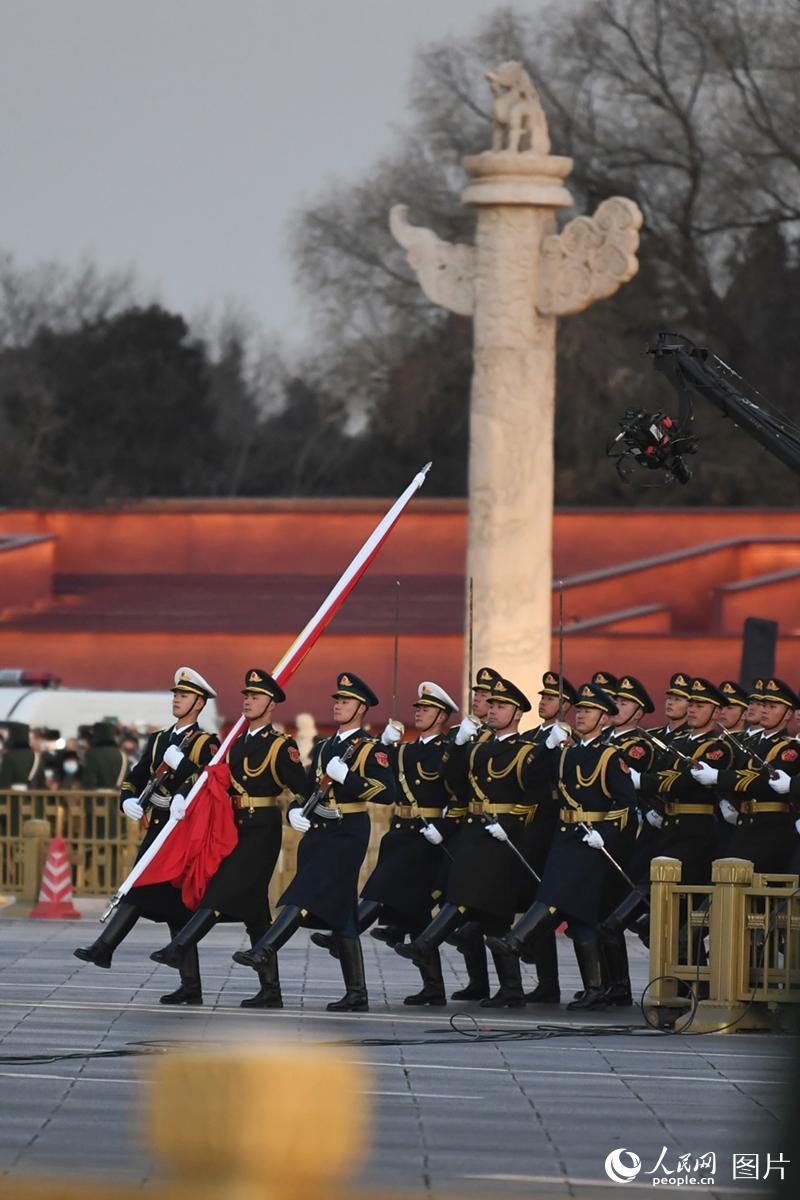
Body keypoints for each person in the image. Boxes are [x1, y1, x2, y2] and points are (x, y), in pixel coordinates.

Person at [396, 676, 565, 1008]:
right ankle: (511, 989)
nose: (493, 710)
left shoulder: (527, 751)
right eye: (492, 705)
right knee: (493, 919)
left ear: (517, 713)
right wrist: (458, 745)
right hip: (474, 834)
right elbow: (453, 779)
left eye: (501, 706)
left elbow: (535, 793)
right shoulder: (479, 747)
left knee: (465, 896)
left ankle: (427, 942)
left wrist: (512, 824)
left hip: (502, 839)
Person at [233, 672, 395, 1012]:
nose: (338, 706)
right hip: (319, 830)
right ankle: (357, 993)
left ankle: (265, 948)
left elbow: (386, 792)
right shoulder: (324, 747)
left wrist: (347, 777)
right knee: (342, 913)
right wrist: (294, 810)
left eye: (346, 701)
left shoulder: (370, 748)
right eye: (337, 700)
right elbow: (305, 789)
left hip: (348, 829)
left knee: (304, 890)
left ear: (361, 708)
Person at [150, 669, 311, 1009]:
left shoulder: (280, 745)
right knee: (255, 914)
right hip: (233, 826)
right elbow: (212, 778)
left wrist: (298, 809)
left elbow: (304, 788)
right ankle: (271, 990)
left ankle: (180, 946)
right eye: (246, 696)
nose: (248, 701)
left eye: (255, 697)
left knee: (221, 888)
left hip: (262, 828)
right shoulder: (234, 742)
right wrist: (182, 787)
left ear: (270, 703)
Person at [486, 682, 637, 1011]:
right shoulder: (567, 751)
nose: (581, 715)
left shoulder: (610, 756)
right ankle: (597, 988)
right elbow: (534, 777)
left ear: (604, 718)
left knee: (556, 896)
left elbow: (627, 806)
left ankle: (515, 941)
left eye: (589, 711)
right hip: (565, 837)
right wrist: (548, 748)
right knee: (581, 916)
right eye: (579, 709)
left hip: (591, 842)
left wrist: (605, 835)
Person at [73, 667, 219, 1005]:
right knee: (173, 907)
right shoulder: (157, 739)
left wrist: (183, 767)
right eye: (176, 694)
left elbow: (210, 781)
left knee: (142, 887)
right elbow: (134, 778)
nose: (176, 699)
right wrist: (127, 801)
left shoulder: (206, 742)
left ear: (199, 703)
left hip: (182, 831)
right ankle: (190, 985)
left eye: (183, 696)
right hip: (157, 827)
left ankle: (104, 947)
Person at [693, 677, 800, 873]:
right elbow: (736, 771)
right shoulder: (751, 743)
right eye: (764, 705)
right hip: (744, 825)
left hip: (771, 829)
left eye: (773, 706)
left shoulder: (789, 747)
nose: (765, 710)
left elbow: (763, 779)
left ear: (788, 714)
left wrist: (718, 777)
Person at [82, 722, 127, 790]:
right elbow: (127, 781)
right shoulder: (122, 755)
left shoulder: (92, 754)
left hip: (96, 798)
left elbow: (89, 781)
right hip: (118, 797)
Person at [0, 723, 45, 789]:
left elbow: (4, 782)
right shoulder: (36, 756)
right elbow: (41, 782)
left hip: (12, 797)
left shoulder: (9, 756)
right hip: (32, 796)